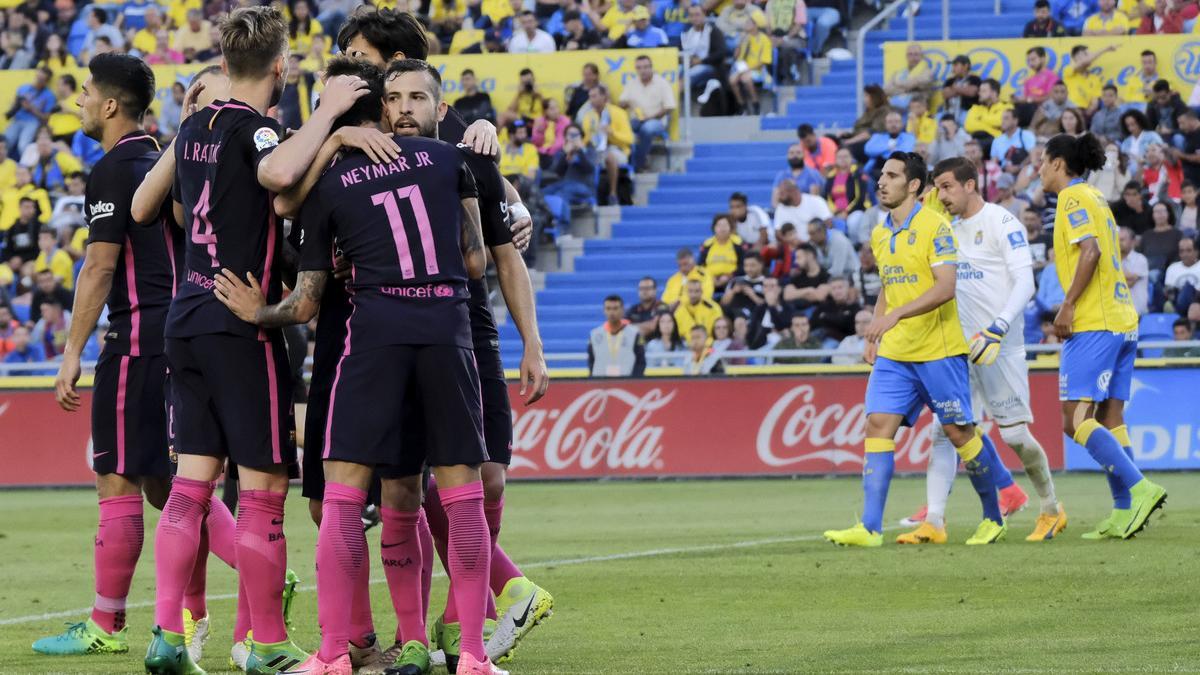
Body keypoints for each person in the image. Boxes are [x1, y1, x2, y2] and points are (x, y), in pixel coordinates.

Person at [146, 8, 375, 672]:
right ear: (279, 67)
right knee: (264, 484)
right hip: (236, 320)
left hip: (184, 314)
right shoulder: (260, 129)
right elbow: (279, 182)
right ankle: (267, 643)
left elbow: (184, 211)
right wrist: (329, 125)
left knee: (191, 483)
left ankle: (166, 633)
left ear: (224, 62)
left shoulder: (192, 127)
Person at [30, 52, 237, 663]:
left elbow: (98, 265)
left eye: (86, 93)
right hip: (181, 333)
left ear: (112, 104)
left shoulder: (116, 167)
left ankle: (104, 623)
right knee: (170, 486)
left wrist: (71, 353)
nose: (80, 102)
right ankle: (261, 566)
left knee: (117, 478)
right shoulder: (165, 163)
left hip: (137, 341)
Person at [824, 151, 1012, 548]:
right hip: (896, 352)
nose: (881, 182)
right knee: (877, 425)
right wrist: (876, 332)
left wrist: (894, 317)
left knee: (960, 432)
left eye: (891, 176)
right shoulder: (879, 232)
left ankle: (993, 517)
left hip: (938, 350)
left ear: (913, 185)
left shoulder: (936, 227)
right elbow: (889, 292)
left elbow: (945, 288)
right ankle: (870, 528)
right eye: (881, 176)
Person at [897, 157, 1062, 544]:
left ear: (971, 185)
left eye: (948, 186)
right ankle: (934, 522)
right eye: (936, 187)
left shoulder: (1002, 223)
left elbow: (1026, 283)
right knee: (944, 430)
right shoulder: (942, 225)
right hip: (955, 348)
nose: (941, 195)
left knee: (1016, 436)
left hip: (998, 346)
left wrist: (998, 327)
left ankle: (1051, 508)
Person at [1041, 131, 1167, 540]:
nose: (1039, 170)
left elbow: (1090, 252)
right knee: (1109, 416)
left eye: (1043, 162)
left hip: (1096, 321)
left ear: (1058, 163)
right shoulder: (1097, 198)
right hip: (1122, 319)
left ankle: (1141, 488)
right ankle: (1124, 510)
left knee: (1073, 418)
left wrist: (1068, 304)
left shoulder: (1073, 198)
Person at [576, 84, 633, 205]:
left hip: (617, 149)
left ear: (604, 97)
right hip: (596, 150)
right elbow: (587, 137)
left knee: (610, 157)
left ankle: (613, 194)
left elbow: (629, 139)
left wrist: (612, 133)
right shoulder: (588, 116)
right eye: (590, 96)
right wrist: (580, 144)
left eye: (594, 96)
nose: (591, 99)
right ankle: (584, 197)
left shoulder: (618, 113)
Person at [619, 55, 675, 172]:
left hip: (657, 120)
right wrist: (625, 104)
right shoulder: (631, 84)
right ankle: (623, 162)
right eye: (639, 68)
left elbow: (669, 107)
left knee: (647, 129)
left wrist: (651, 117)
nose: (642, 70)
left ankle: (639, 163)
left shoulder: (662, 83)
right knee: (622, 127)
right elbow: (622, 102)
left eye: (645, 67)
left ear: (651, 67)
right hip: (637, 120)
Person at [681, 4, 728, 103]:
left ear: (704, 15)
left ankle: (680, 104)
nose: (694, 18)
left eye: (697, 15)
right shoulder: (686, 32)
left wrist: (701, 61)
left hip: (710, 66)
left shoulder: (713, 30)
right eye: (692, 15)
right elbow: (680, 51)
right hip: (689, 64)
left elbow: (721, 52)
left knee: (689, 75)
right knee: (675, 71)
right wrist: (686, 60)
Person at [589, 295, 645, 377]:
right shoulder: (595, 334)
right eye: (608, 308)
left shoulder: (634, 334)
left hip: (627, 384)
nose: (611, 312)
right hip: (601, 384)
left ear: (622, 310)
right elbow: (591, 361)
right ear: (604, 310)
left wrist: (634, 381)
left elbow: (640, 362)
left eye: (615, 308)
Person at [5, 67, 56, 155]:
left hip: (32, 122)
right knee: (5, 143)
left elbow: (46, 118)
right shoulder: (23, 88)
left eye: (41, 79)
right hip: (17, 119)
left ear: (46, 81)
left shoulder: (49, 95)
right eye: (37, 77)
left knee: (23, 146)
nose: (37, 81)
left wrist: (31, 108)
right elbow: (13, 105)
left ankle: (25, 167)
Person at [543, 123, 595, 209]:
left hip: (584, 186)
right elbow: (557, 172)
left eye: (575, 135)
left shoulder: (589, 151)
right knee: (543, 192)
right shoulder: (562, 152)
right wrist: (565, 154)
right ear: (565, 137)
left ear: (581, 137)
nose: (573, 138)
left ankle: (561, 221)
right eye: (570, 135)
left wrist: (580, 151)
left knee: (560, 195)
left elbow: (589, 169)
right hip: (564, 183)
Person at [727, 14, 771, 116]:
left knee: (746, 78)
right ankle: (742, 106)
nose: (746, 25)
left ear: (756, 25)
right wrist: (739, 43)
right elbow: (736, 57)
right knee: (732, 81)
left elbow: (764, 61)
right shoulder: (744, 38)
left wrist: (747, 70)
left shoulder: (764, 39)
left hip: (758, 70)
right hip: (742, 68)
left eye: (749, 23)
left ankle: (756, 105)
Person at [823, 146, 867, 237]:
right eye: (840, 157)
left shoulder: (858, 174)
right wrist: (835, 211)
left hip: (855, 210)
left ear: (851, 158)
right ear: (835, 160)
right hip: (834, 212)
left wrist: (846, 212)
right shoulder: (831, 176)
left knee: (852, 222)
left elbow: (860, 197)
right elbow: (827, 197)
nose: (843, 159)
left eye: (846, 156)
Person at [1062, 44, 1116, 115]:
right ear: (1075, 58)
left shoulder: (1095, 78)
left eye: (1089, 54)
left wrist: (1086, 114)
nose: (1089, 57)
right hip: (1070, 110)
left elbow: (1095, 102)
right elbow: (1084, 62)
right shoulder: (1068, 71)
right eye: (1085, 54)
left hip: (1086, 112)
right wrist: (1105, 49)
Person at [863, 111, 915, 177]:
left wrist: (880, 153)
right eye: (890, 122)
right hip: (876, 169)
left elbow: (905, 152)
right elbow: (868, 150)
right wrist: (888, 147)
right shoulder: (878, 136)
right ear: (885, 124)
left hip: (900, 169)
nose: (893, 125)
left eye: (896, 122)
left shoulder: (909, 137)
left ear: (902, 124)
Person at [809, 276, 860, 343]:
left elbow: (848, 326)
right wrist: (839, 319)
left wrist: (825, 317)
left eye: (840, 287)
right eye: (833, 288)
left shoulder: (855, 307)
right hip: (823, 340)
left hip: (848, 343)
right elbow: (813, 324)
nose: (837, 291)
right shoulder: (823, 306)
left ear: (847, 289)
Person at [699, 213, 743, 288]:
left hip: (732, 280)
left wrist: (729, 276)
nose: (722, 228)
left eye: (725, 225)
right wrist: (709, 277)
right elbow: (700, 266)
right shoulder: (707, 245)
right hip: (709, 280)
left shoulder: (738, 244)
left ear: (730, 227)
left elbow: (743, 266)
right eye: (719, 225)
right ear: (714, 228)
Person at [884, 43, 933, 110]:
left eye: (916, 54)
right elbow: (887, 89)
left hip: (917, 108)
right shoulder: (899, 72)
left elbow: (919, 82)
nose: (913, 57)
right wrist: (906, 90)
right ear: (906, 56)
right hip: (898, 108)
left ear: (921, 56)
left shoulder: (927, 72)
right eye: (910, 54)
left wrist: (898, 84)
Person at [720, 252, 766, 321]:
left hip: (757, 320)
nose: (748, 269)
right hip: (733, 318)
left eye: (752, 265)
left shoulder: (767, 282)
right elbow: (723, 303)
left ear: (761, 265)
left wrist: (753, 295)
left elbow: (770, 307)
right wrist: (733, 292)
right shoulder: (735, 281)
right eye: (746, 266)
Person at [964, 78, 1010, 147]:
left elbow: (1000, 122)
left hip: (997, 142)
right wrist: (992, 129)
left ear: (994, 93)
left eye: (983, 91)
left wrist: (980, 118)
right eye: (980, 91)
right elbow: (968, 126)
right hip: (978, 139)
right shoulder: (975, 108)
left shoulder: (1007, 106)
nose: (979, 93)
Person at [940, 55, 981, 124]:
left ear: (965, 66)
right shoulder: (950, 80)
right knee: (937, 119)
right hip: (949, 111)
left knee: (965, 118)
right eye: (953, 65)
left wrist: (954, 88)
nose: (953, 68)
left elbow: (972, 92)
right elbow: (945, 94)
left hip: (967, 112)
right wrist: (963, 90)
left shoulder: (974, 79)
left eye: (956, 65)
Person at [1164, 237, 1200, 315]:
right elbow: (1169, 292)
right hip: (1177, 303)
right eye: (1181, 251)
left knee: (1188, 288)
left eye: (1189, 250)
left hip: (1197, 304)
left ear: (1196, 252)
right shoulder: (1172, 268)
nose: (1185, 254)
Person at [1119, 226, 1150, 316]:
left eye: (1122, 240)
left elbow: (1130, 283)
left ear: (1133, 242)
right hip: (1118, 314)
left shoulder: (1140, 259)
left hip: (1137, 312)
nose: (1118, 242)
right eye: (1116, 240)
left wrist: (1114, 275)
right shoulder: (1113, 260)